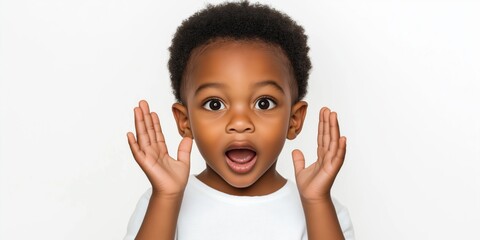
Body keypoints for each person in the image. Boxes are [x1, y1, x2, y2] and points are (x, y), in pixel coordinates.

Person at [124, 1, 355, 239]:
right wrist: (166, 198)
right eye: (215, 104)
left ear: (294, 120)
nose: (240, 122)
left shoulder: (324, 210)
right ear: (185, 121)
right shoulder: (161, 203)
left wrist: (317, 202)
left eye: (264, 103)